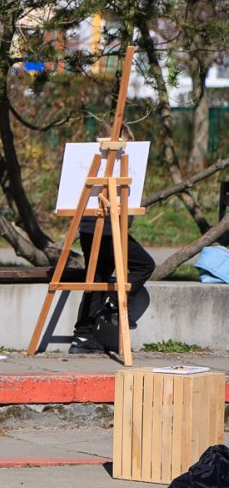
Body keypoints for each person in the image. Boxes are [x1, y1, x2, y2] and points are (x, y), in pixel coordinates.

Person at [69, 125, 155, 354]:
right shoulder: (104, 164)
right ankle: (114, 301)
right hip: (107, 229)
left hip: (89, 228)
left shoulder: (93, 163)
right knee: (145, 265)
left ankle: (83, 335)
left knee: (97, 278)